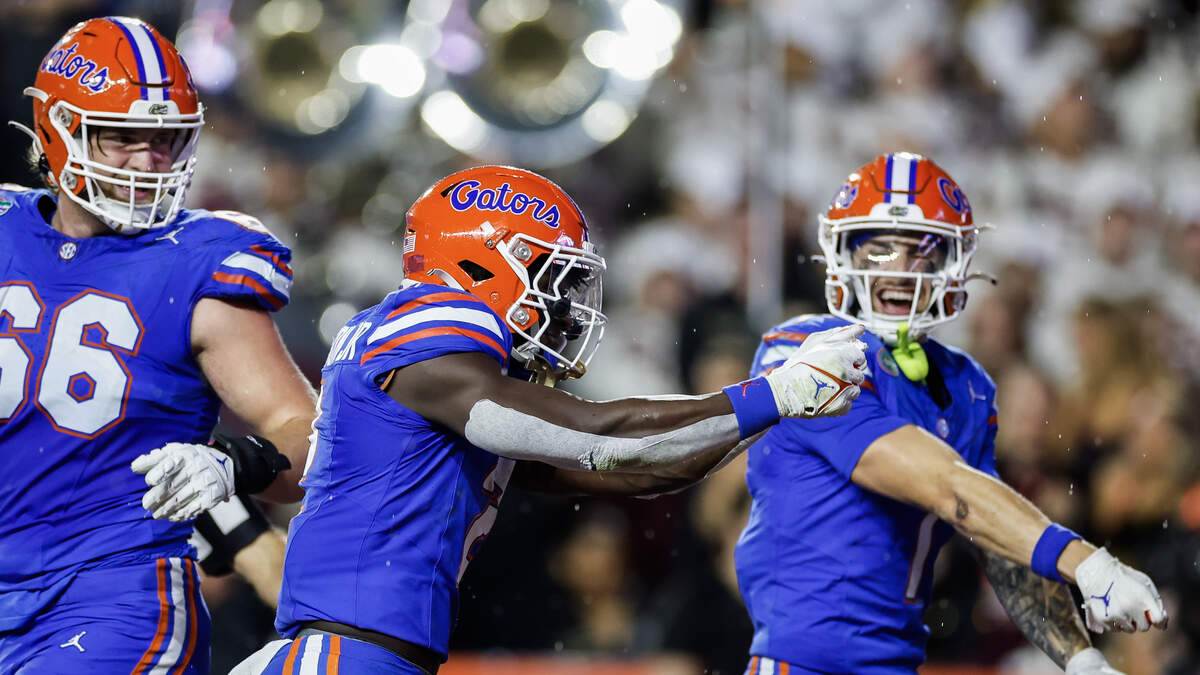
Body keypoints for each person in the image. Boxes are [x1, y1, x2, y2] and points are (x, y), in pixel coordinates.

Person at [223, 165, 868, 674]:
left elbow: (644, 470)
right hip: (344, 657)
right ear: (481, 263)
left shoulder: (442, 402)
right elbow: (606, 441)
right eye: (549, 276)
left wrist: (778, 409)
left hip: (357, 653)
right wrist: (775, 392)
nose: (563, 305)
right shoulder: (433, 332)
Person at [735, 152, 1168, 675]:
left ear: (953, 263)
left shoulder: (965, 385)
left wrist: (1081, 659)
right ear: (843, 255)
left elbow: (996, 538)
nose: (901, 269)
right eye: (880, 250)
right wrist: (1088, 563)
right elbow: (943, 485)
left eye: (922, 251)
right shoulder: (804, 350)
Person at [0, 16, 316, 673]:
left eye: (165, 140)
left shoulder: (199, 259)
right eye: (122, 137)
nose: (149, 162)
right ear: (60, 127)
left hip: (112, 597)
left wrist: (238, 464)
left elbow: (307, 435)